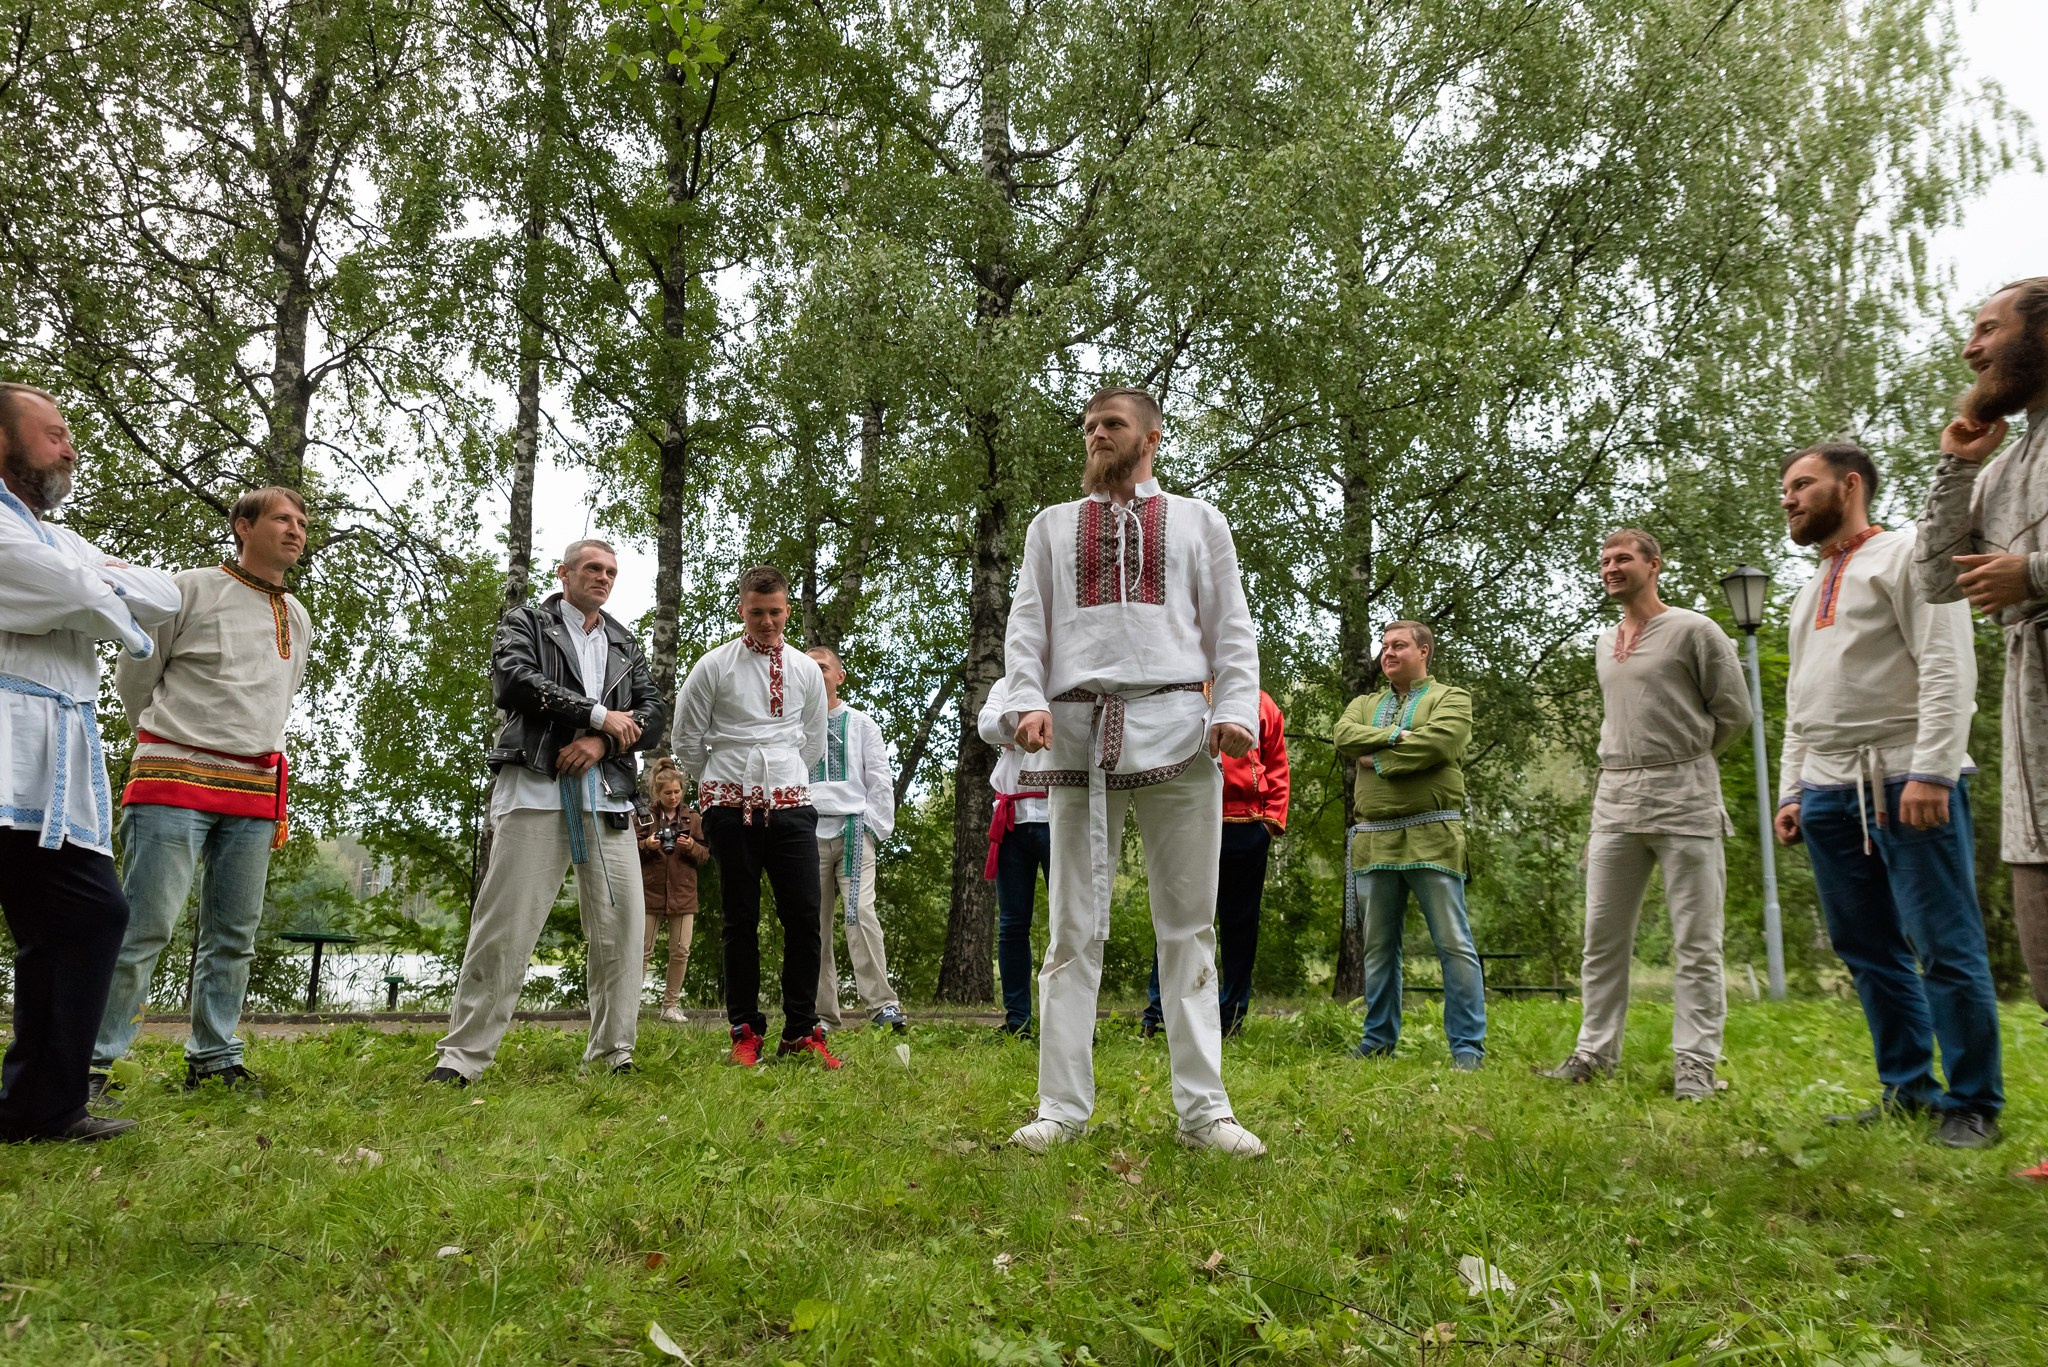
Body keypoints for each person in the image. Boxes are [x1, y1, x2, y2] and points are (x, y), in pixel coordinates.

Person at [1001, 385, 1265, 1156]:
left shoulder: (1197, 520)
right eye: (1088, 428)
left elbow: (1231, 626)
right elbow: (1027, 626)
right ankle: (1061, 1106)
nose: (1096, 437)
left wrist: (1235, 710)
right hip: (1077, 733)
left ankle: (1204, 1111)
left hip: (1181, 728)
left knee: (1189, 925)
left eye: (1111, 425)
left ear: (1152, 437)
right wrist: (1026, 700)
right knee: (1070, 928)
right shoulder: (1050, 527)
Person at [1775, 443, 2003, 1149]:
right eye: (1784, 488)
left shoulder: (1909, 555)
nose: (1788, 498)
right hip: (1828, 788)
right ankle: (1908, 1087)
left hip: (1907, 777)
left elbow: (1945, 663)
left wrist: (1934, 769)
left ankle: (1972, 1103)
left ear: (1850, 486)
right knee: (1865, 945)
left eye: (1801, 485)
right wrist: (1792, 788)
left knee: (1943, 941)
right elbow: (1800, 698)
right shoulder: (1810, 585)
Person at [87, 487, 311, 1101]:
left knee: (234, 932)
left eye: (301, 523)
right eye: (282, 519)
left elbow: (277, 699)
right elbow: (139, 674)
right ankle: (93, 1064)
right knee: (145, 925)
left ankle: (213, 1056)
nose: (295, 530)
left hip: (254, 786)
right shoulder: (187, 588)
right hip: (174, 775)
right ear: (243, 525)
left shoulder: (296, 615)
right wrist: (167, 739)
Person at [0, 382, 180, 1142]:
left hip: (54, 767)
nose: (70, 447)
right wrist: (98, 593)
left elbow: (162, 595)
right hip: (7, 740)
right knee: (73, 918)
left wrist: (92, 589)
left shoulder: (57, 537)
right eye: (53, 434)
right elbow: (73, 589)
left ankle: (42, 1103)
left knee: (88, 915)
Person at [428, 540, 666, 1086]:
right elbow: (513, 683)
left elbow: (652, 716)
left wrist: (602, 744)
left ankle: (612, 1055)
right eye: (591, 568)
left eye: (610, 571)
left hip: (606, 798)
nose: (602, 577)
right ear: (564, 574)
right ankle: (462, 1058)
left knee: (622, 930)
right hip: (536, 787)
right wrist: (598, 716)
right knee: (506, 926)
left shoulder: (624, 643)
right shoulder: (527, 622)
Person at [1912, 276, 2048, 1178]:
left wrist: (2034, 571)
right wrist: (1958, 461)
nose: (1971, 347)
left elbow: (2015, 572)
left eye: (1988, 328)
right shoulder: (2004, 466)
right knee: (2043, 930)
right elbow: (1932, 577)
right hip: (2033, 729)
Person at [1539, 529, 1750, 1099]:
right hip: (1616, 797)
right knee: (1602, 936)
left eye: (1623, 558)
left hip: (1684, 792)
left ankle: (1696, 1063)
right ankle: (1594, 1053)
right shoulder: (1606, 642)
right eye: (1605, 560)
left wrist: (1683, 758)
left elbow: (1734, 714)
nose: (1611, 567)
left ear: (1654, 565)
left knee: (1696, 939)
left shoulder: (1695, 630)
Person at [672, 566, 838, 1068]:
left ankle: (801, 1031)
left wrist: (782, 780)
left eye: (775, 612)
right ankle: (745, 1030)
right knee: (740, 920)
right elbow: (686, 741)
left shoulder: (807, 670)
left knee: (805, 918)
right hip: (728, 805)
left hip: (791, 807)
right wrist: (726, 783)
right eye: (756, 612)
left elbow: (812, 739)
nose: (766, 622)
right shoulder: (713, 666)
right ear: (742, 610)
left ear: (787, 611)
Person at [1333, 622, 1483, 1069]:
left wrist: (1375, 759)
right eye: (1383, 646)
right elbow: (1343, 736)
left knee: (1453, 943)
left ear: (1424, 650)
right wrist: (1398, 736)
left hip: (1433, 836)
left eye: (1398, 645)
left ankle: (1467, 1049)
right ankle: (1377, 1042)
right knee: (1379, 948)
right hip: (1374, 841)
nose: (1387, 652)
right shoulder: (1364, 704)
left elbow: (1441, 743)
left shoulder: (1451, 698)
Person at [1140, 686, 1289, 1039]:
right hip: (1188, 819)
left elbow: (1278, 763)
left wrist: (1269, 822)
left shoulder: (1260, 701)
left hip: (1246, 823)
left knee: (1240, 925)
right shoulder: (1180, 691)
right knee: (1177, 917)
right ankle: (1160, 1015)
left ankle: (1230, 1018)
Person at [805, 645, 907, 1033]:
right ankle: (822, 1015)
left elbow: (880, 779)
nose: (816, 674)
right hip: (807, 832)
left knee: (859, 914)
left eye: (823, 667)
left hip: (852, 829)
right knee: (812, 924)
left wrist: (873, 827)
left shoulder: (861, 724)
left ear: (839, 676)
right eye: (809, 669)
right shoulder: (796, 727)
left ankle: (882, 1005)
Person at [980, 675, 1053, 1037]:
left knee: (1070, 922)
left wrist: (1016, 730)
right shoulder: (1006, 684)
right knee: (1011, 925)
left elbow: (1069, 734)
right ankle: (1017, 1020)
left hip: (1060, 817)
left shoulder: (1066, 678)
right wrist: (1026, 722)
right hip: (1012, 819)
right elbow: (985, 727)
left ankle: (1072, 1020)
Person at [637, 757, 707, 1024]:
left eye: (677, 792)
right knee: (643, 951)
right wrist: (647, 846)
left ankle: (670, 1006)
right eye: (668, 793)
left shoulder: (693, 818)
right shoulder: (644, 816)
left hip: (683, 892)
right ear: (658, 792)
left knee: (680, 951)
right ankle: (631, 1004)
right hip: (650, 891)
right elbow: (628, 852)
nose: (674, 796)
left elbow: (705, 857)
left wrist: (691, 846)